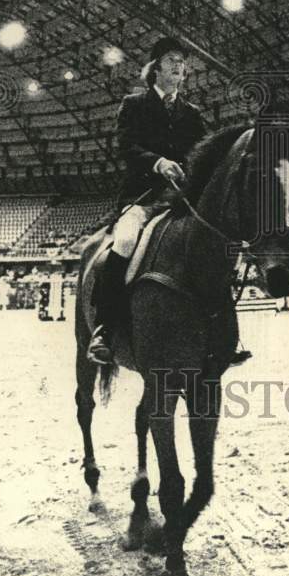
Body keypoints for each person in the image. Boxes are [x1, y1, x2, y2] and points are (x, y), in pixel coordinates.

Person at [88, 37, 205, 364]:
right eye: (171, 59)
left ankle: (220, 330)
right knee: (124, 240)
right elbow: (127, 147)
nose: (179, 66)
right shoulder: (134, 105)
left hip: (181, 200)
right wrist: (158, 162)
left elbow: (201, 151)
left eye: (182, 61)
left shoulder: (192, 113)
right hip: (143, 196)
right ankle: (105, 328)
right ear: (155, 67)